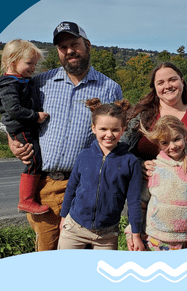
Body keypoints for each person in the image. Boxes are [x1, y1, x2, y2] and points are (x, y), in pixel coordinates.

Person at [8, 21, 123, 251]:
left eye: (74, 44)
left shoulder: (109, 88)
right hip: (46, 185)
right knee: (48, 258)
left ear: (87, 45)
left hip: (87, 187)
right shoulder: (41, 83)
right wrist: (12, 140)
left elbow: (119, 135)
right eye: (62, 47)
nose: (69, 50)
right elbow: (18, 116)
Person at [121, 62, 187, 248]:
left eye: (173, 79)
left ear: (182, 82)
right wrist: (139, 164)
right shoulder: (141, 117)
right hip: (144, 201)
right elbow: (120, 151)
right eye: (161, 82)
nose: (168, 85)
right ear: (155, 88)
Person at [57, 98, 145, 250]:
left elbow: (134, 201)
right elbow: (71, 188)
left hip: (106, 234)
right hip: (74, 228)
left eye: (115, 130)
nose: (109, 134)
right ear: (93, 128)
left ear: (123, 129)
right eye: (103, 129)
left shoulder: (130, 161)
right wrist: (64, 216)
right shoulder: (84, 156)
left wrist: (135, 234)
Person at [127, 115, 187, 251]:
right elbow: (141, 203)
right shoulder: (154, 168)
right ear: (158, 144)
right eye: (165, 143)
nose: (172, 146)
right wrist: (132, 232)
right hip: (152, 239)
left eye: (176, 139)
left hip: (182, 241)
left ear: (184, 135)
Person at [0, 39, 50, 214]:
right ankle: (26, 200)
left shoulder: (20, 80)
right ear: (11, 61)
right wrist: (35, 116)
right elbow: (13, 110)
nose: (33, 67)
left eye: (35, 64)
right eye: (29, 63)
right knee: (34, 160)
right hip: (20, 128)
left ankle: (30, 197)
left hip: (23, 127)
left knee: (36, 159)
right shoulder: (8, 85)